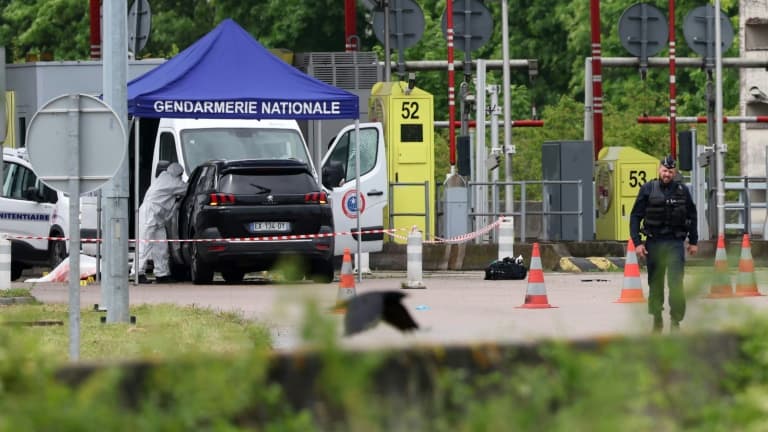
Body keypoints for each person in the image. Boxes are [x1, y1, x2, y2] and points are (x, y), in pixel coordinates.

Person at [629, 155, 698, 333]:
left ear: (675, 172)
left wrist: (694, 241)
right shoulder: (648, 189)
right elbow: (635, 216)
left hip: (675, 242)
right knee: (655, 282)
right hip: (654, 242)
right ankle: (657, 318)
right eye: (665, 170)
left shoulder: (683, 190)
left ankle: (675, 321)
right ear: (659, 169)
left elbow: (692, 215)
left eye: (670, 171)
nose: (667, 174)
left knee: (676, 283)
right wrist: (637, 242)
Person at [136, 162, 187, 283]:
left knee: (161, 246)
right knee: (145, 244)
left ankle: (162, 274)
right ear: (177, 174)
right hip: (150, 214)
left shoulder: (164, 177)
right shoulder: (170, 181)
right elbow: (186, 188)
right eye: (180, 174)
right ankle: (137, 273)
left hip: (158, 216)